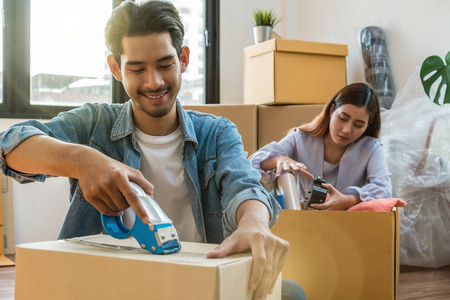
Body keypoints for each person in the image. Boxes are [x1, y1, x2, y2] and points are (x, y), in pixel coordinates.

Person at [0, 1, 306, 299]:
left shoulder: (216, 132)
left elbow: (245, 186)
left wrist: (254, 222)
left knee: (290, 293)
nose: (154, 82)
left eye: (165, 65)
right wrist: (82, 159)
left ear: (183, 58)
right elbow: (10, 145)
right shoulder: (94, 124)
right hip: (108, 283)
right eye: (137, 68)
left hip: (194, 282)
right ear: (116, 68)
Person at [249, 83, 392, 210]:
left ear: (367, 126)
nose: (347, 130)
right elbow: (251, 166)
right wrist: (278, 160)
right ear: (331, 111)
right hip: (303, 223)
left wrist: (349, 200)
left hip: (348, 226)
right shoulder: (300, 138)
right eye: (343, 118)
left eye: (358, 125)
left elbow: (384, 189)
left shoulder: (371, 147)